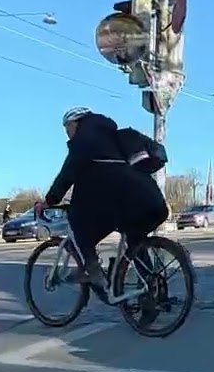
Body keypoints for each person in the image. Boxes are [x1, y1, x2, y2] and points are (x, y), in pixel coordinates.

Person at [34, 107, 170, 296]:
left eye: (68, 130)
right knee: (135, 241)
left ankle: (93, 270)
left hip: (121, 201)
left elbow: (68, 173)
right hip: (151, 200)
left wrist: (49, 201)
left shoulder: (85, 138)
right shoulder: (115, 138)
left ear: (76, 123)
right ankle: (151, 297)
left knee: (78, 223)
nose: (68, 136)